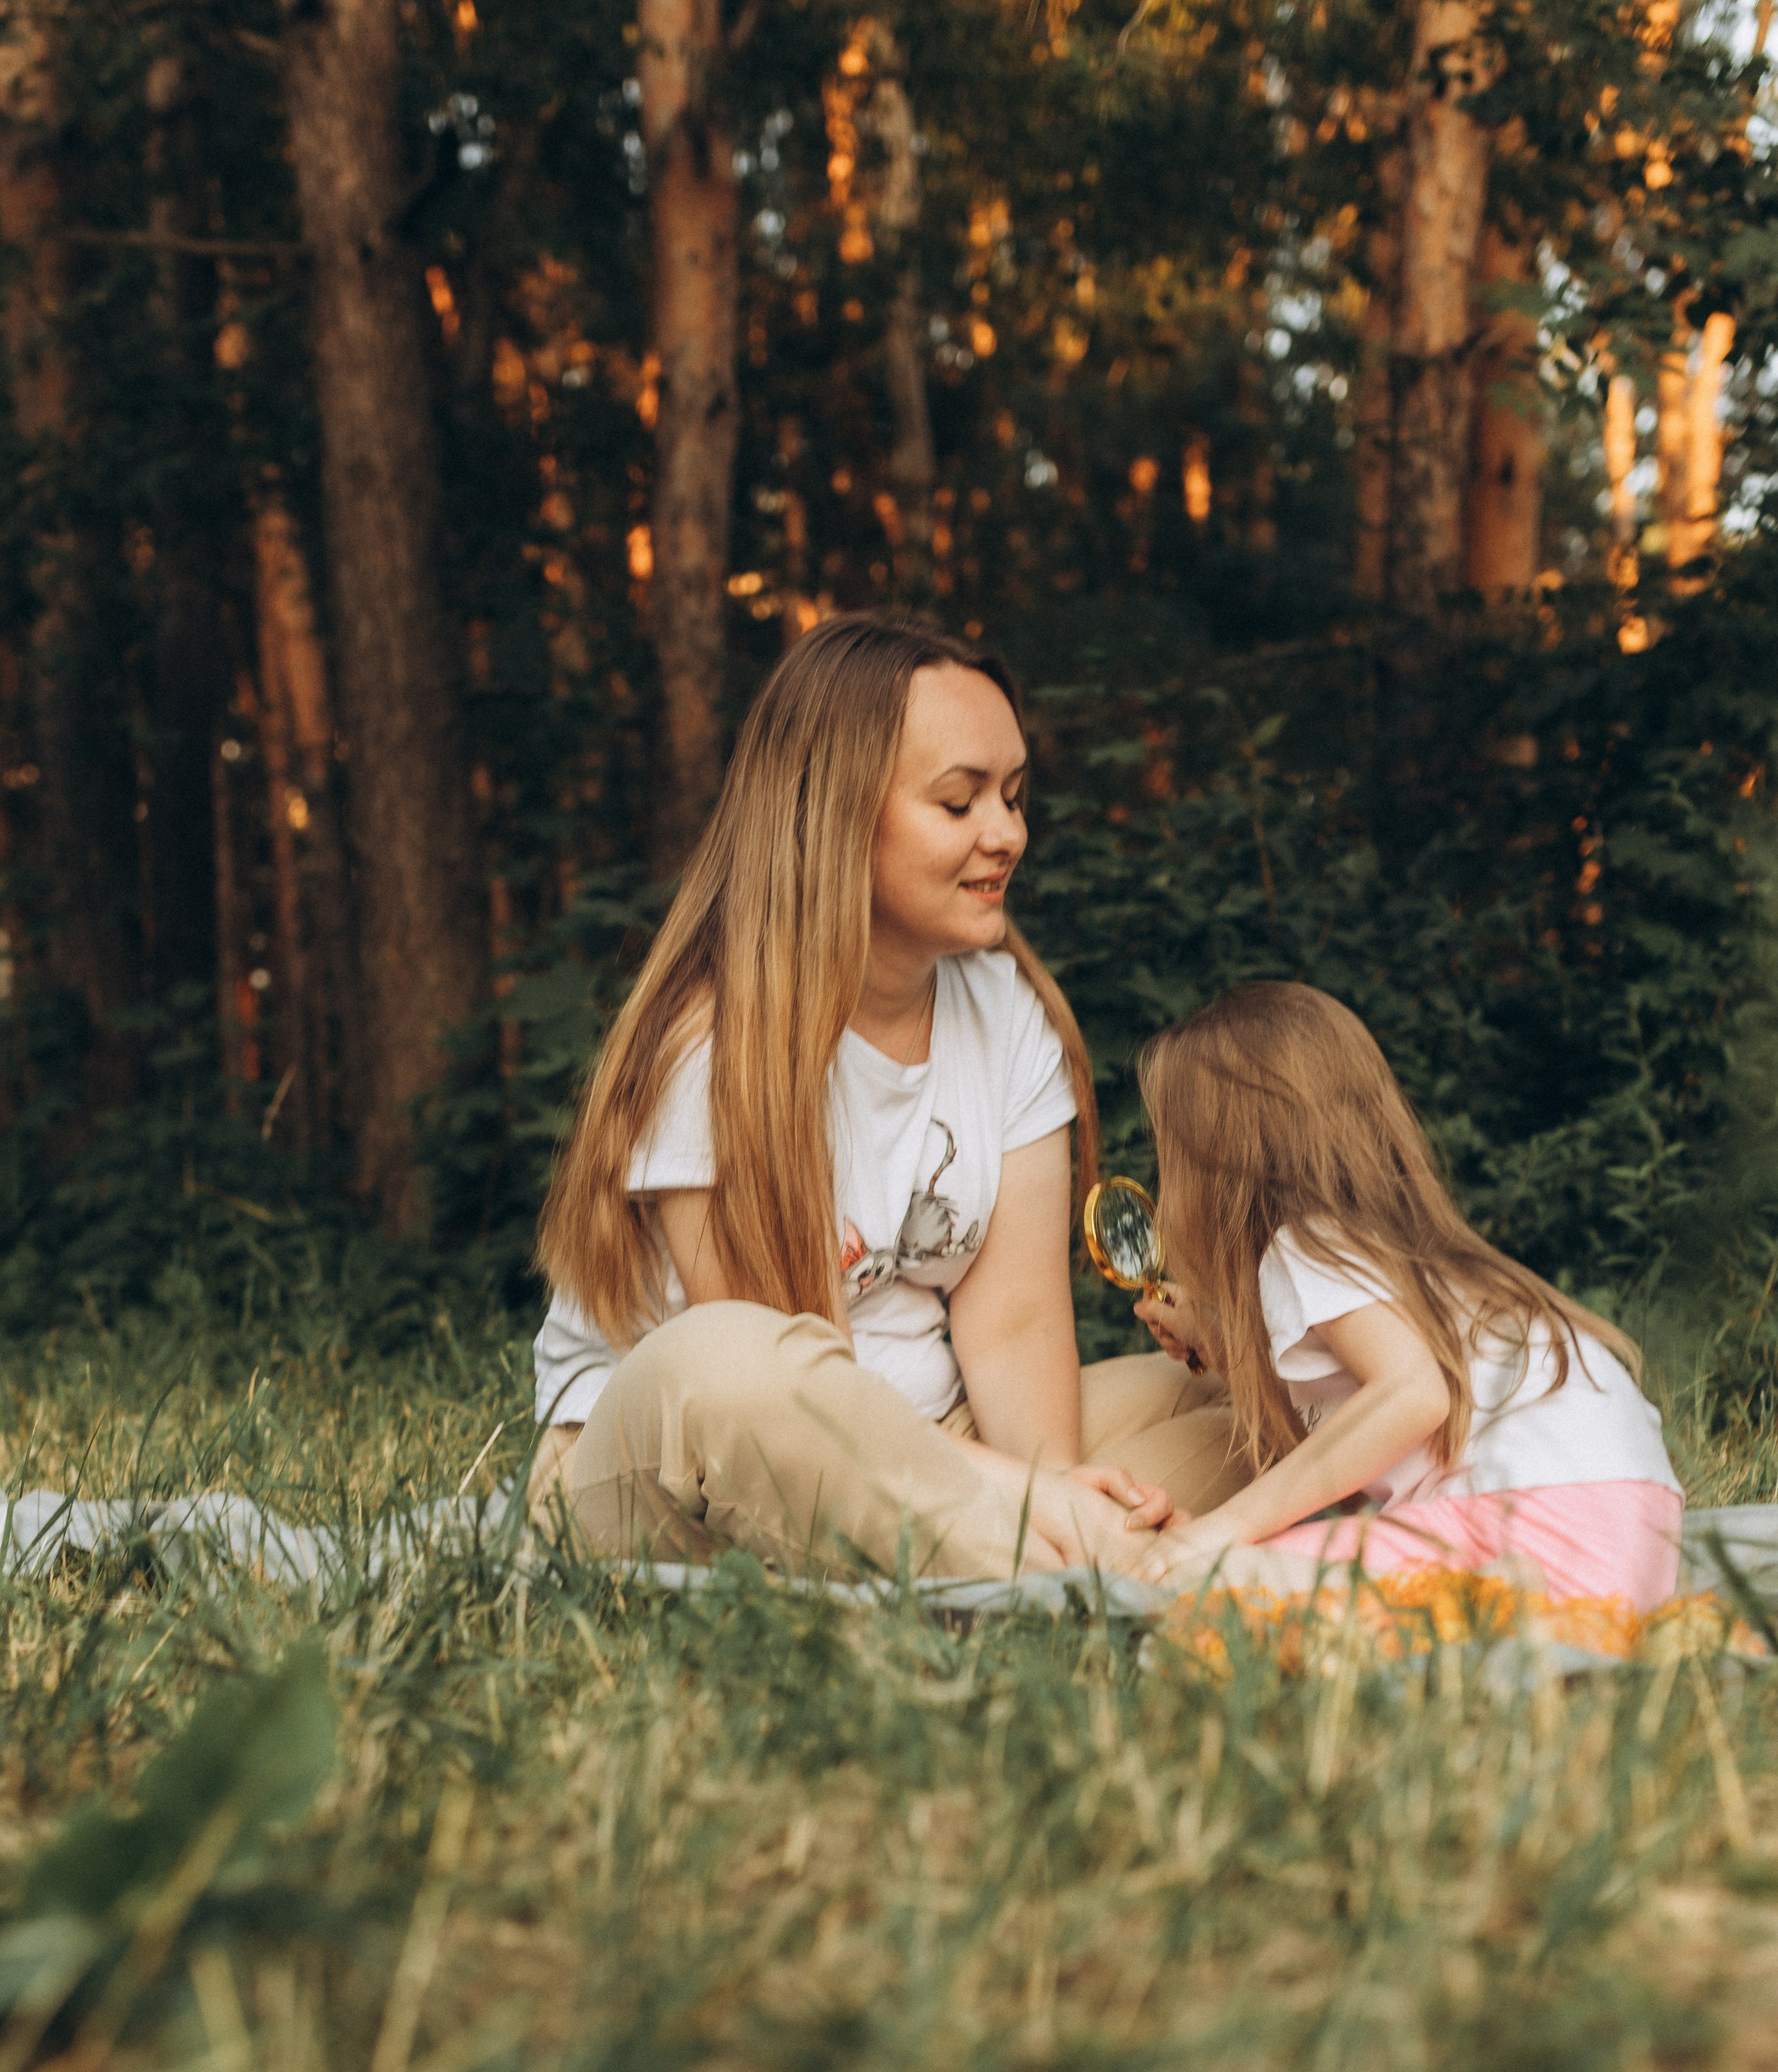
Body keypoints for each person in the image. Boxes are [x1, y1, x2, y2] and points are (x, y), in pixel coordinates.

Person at [530, 614, 1249, 1580]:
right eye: (959, 804)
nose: (1008, 833)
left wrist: (1051, 1484)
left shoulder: (1006, 1013)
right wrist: (1029, 1502)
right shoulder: (706, 1048)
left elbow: (1017, 1329)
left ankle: (1046, 1555)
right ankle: (1093, 1570)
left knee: (1247, 1403)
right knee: (732, 1360)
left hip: (938, 1448)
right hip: (685, 1458)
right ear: (835, 815)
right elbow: (802, 1396)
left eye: (1014, 795)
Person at [1131, 982, 1684, 1606]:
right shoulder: (1392, 1243)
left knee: (1206, 1587)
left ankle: (1489, 1606)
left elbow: (1413, 1393)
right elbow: (1347, 1418)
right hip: (1638, 1523)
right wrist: (1220, 1341)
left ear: (1219, 1166)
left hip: (1530, 1517)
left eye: (1170, 1150)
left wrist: (1226, 1528)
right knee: (1254, 1567)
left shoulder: (1304, 1244)